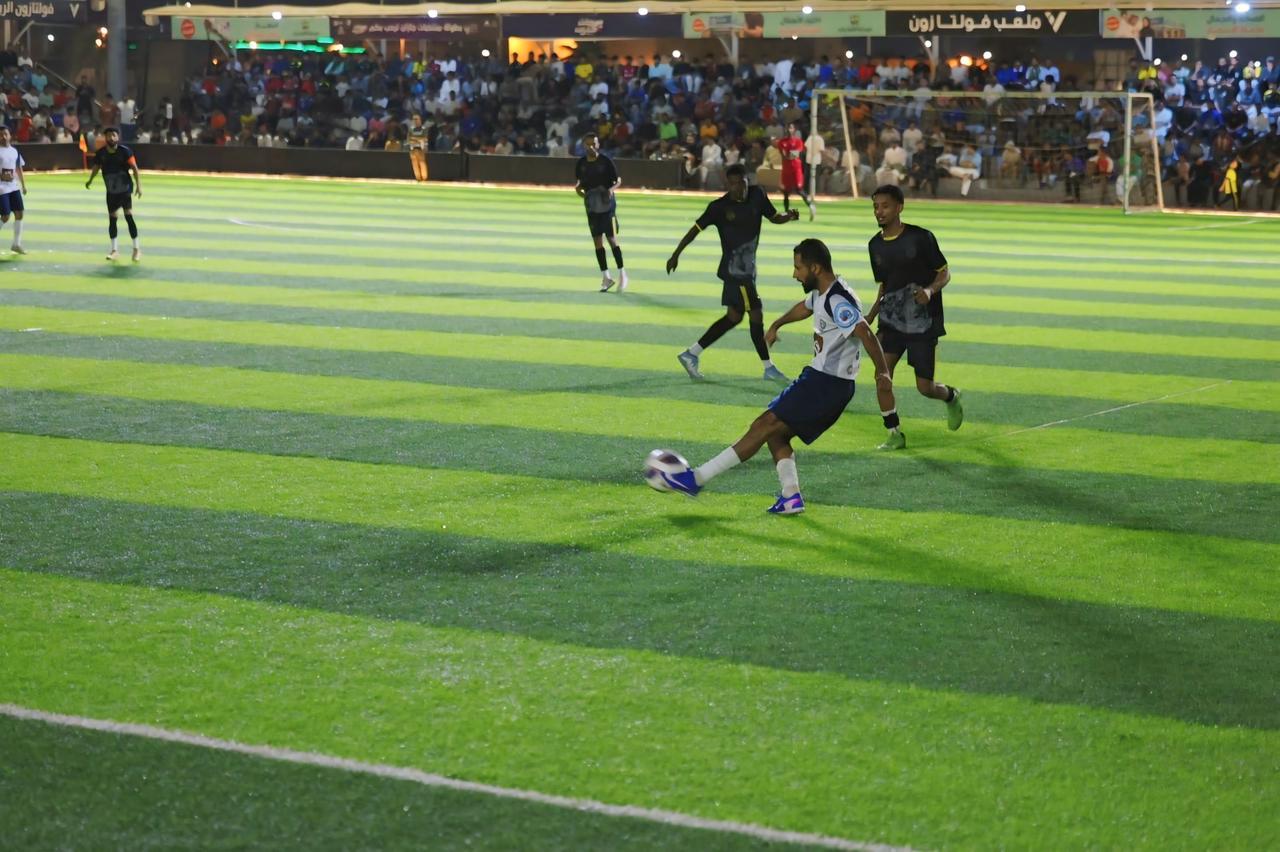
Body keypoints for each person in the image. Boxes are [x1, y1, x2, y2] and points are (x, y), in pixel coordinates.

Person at [658, 239, 898, 514]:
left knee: (764, 425)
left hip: (826, 384)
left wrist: (882, 371)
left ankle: (696, 479)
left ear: (816, 268)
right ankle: (791, 496)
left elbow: (864, 331)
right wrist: (777, 324)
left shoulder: (837, 298)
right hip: (822, 381)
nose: (794, 274)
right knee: (776, 434)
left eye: (798, 268)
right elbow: (805, 306)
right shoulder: (823, 292)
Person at [666, 163, 799, 383]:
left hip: (747, 269)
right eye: (733, 184)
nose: (738, 188)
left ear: (748, 180)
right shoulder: (719, 207)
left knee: (733, 317)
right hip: (736, 272)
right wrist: (676, 254)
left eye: (741, 183)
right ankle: (769, 368)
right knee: (756, 313)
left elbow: (774, 216)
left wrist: (789, 216)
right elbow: (695, 230)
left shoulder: (757, 195)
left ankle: (691, 354)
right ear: (728, 184)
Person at [864, 184, 963, 447]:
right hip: (890, 322)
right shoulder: (874, 245)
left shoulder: (921, 237)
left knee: (924, 387)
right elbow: (885, 285)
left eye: (885, 206)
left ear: (899, 207)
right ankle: (894, 433)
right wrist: (871, 314)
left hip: (922, 322)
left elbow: (944, 273)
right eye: (875, 207)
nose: (879, 211)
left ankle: (951, 396)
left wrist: (930, 291)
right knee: (882, 376)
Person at [574, 131, 627, 292]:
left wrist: (611, 190)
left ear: (598, 145)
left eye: (593, 143)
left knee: (612, 240)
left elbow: (618, 180)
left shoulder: (606, 161)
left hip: (607, 206)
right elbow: (580, 183)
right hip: (592, 206)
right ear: (584, 145)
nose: (591, 146)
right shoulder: (581, 164)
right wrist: (578, 190)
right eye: (588, 144)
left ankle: (622, 274)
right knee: (597, 242)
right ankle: (606, 277)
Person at [84, 126, 141, 262]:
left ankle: (136, 249)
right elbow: (96, 167)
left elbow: (134, 168)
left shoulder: (125, 151)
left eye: (113, 135)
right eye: (108, 135)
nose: (111, 138)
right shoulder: (101, 153)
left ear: (118, 137)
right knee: (112, 219)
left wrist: (139, 186)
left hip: (125, 189)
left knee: (129, 217)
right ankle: (114, 250)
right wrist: (90, 180)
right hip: (111, 191)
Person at [777, 122, 816, 220]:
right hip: (786, 170)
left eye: (791, 128)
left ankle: (811, 206)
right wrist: (788, 155)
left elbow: (793, 155)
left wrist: (788, 155)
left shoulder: (798, 142)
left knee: (799, 189)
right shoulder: (781, 142)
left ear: (794, 129)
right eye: (787, 128)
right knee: (786, 192)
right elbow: (784, 155)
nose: (789, 130)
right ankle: (786, 213)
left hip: (796, 169)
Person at [0, 126, 27, 254]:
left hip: (13, 186)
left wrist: (23, 185)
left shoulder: (14, 151)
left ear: (10, 135)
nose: (3, 137)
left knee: (19, 213)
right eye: (1, 135)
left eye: (5, 134)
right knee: (5, 216)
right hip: (1, 188)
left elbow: (18, 168)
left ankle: (16, 244)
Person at [407, 114, 429, 182]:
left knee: (422, 162)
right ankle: (418, 178)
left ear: (420, 120)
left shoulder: (424, 129)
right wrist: (418, 139)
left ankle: (424, 177)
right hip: (413, 148)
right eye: (414, 119)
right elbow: (408, 139)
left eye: (416, 119)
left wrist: (414, 139)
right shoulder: (411, 129)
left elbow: (425, 138)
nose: (415, 121)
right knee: (414, 163)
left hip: (421, 148)